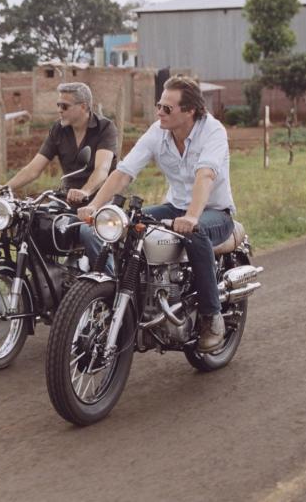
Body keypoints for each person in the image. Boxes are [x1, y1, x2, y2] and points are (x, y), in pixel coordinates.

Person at [78, 75, 236, 352]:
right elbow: (123, 173)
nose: (159, 112)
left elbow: (205, 175)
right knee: (122, 225)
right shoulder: (157, 132)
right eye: (158, 106)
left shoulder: (213, 131)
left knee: (194, 234)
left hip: (213, 212)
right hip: (174, 206)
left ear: (190, 111)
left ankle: (212, 318)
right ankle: (128, 294)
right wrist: (95, 207)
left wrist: (192, 217)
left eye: (167, 108)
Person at [0, 82, 119, 264]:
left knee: (89, 233)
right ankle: (45, 284)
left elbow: (102, 169)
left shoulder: (105, 128)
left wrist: (85, 191)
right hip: (67, 202)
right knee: (32, 224)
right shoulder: (58, 130)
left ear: (83, 106)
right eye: (58, 105)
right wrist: (5, 187)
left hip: (100, 201)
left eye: (64, 106)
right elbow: (33, 169)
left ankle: (110, 284)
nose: (59, 110)